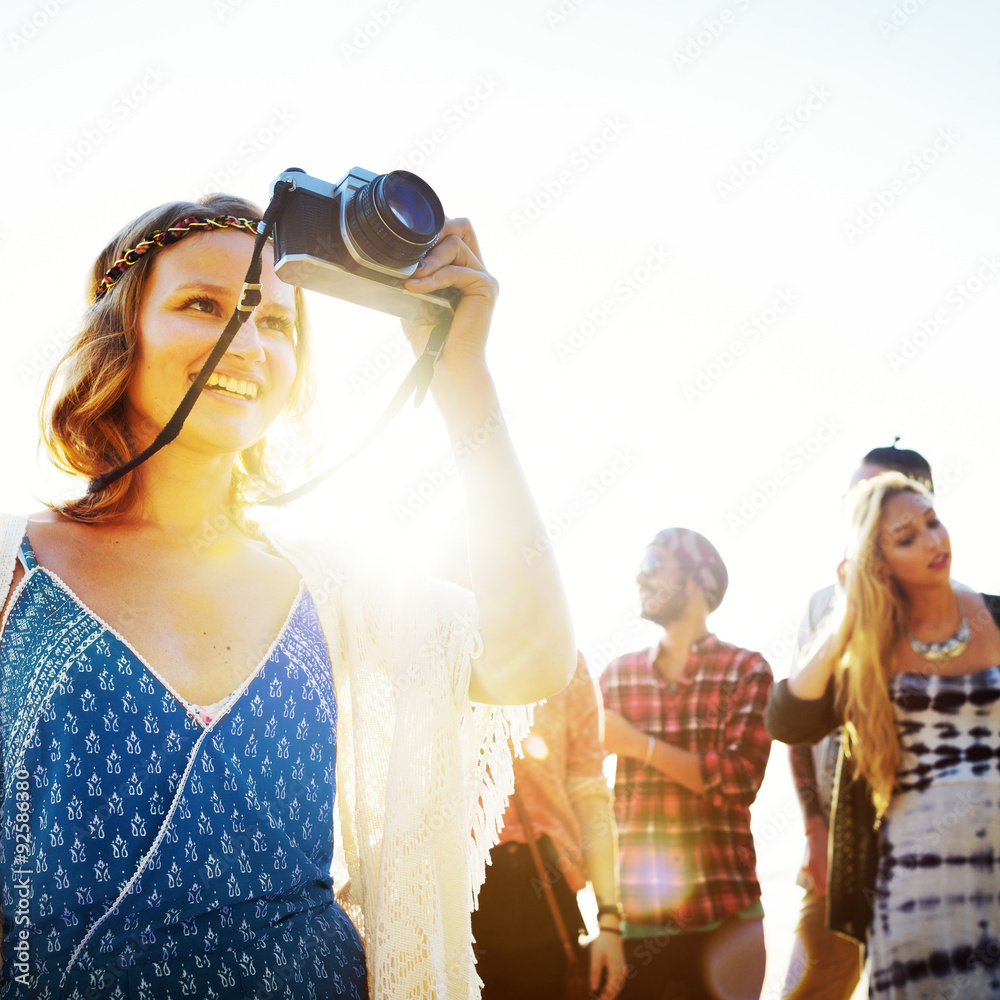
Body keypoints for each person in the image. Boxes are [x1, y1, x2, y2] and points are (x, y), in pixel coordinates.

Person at [0, 193, 576, 998]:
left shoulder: (334, 587)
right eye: (205, 305)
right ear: (119, 333)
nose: (246, 339)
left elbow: (530, 659)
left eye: (276, 323)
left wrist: (462, 378)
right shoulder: (13, 566)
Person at [767, 473, 1000, 1000]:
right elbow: (788, 721)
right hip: (914, 888)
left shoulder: (997, 614)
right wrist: (847, 614)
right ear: (879, 563)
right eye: (907, 538)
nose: (934, 542)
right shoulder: (868, 651)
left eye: (933, 522)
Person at [781, 444, 934, 1000]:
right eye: (856, 497)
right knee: (812, 986)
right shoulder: (825, 606)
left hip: (935, 847)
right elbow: (795, 726)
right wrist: (814, 832)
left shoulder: (970, 614)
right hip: (839, 844)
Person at [599, 528, 773, 1000]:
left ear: (699, 580)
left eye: (654, 564)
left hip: (728, 917)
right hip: (637, 920)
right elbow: (585, 787)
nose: (640, 575)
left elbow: (738, 781)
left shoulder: (747, 671)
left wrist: (640, 746)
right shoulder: (617, 676)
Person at [471, 652, 626, 1000]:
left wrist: (609, 922)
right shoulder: (436, 637)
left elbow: (590, 789)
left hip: (543, 894)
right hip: (451, 891)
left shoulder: (564, 658)